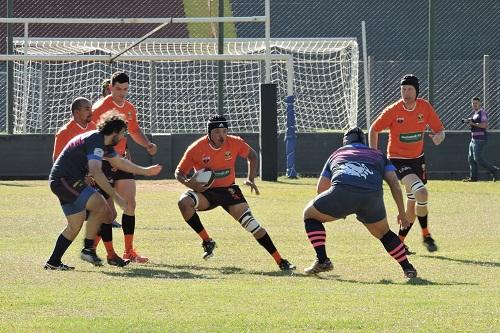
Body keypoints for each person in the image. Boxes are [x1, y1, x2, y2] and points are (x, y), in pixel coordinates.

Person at [175, 115, 295, 271]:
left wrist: (251, 178)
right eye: (217, 132)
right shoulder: (196, 148)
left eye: (224, 131)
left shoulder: (235, 142)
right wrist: (188, 182)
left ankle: (281, 261)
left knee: (253, 225)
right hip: (206, 192)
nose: (222, 135)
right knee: (184, 203)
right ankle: (207, 240)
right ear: (209, 133)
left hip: (229, 190)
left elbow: (252, 155)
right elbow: (179, 172)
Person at [45, 111, 162, 270]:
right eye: (122, 133)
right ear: (114, 132)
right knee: (101, 205)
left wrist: (146, 171)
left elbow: (120, 163)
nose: (123, 137)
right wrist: (116, 197)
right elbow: (95, 170)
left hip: (66, 181)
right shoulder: (96, 140)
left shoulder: (104, 144)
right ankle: (89, 250)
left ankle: (53, 262)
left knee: (75, 226)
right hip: (65, 180)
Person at [303, 127, 417, 278]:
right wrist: (402, 213)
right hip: (371, 198)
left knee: (309, 215)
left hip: (341, 193)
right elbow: (394, 184)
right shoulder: (379, 155)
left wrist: (338, 206)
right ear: (364, 141)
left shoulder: (337, 153)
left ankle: (322, 260)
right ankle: (407, 268)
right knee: (384, 233)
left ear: (345, 141)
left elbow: (321, 188)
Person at [369, 74, 445, 253]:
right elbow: (374, 129)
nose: (406, 92)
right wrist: (375, 156)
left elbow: (440, 130)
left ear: (416, 91)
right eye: (403, 89)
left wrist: (439, 137)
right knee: (422, 192)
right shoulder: (393, 110)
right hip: (398, 160)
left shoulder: (424, 107)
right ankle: (426, 236)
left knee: (414, 204)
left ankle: (401, 242)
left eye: (409, 89)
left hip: (418, 160)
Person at [92, 72, 158, 263]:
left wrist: (147, 144)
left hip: (120, 160)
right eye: (118, 89)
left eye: (125, 89)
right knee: (106, 211)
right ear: (110, 87)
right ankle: (99, 250)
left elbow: (135, 130)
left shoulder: (129, 108)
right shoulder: (100, 108)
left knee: (130, 204)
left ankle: (129, 251)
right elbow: (92, 137)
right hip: (102, 161)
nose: (122, 93)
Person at [462, 97, 499, 182]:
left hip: (480, 139)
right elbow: (475, 124)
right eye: (473, 103)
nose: (474, 105)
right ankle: (473, 178)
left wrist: (472, 123)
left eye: (476, 103)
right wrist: (470, 122)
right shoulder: (475, 114)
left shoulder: (483, 113)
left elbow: (484, 125)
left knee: (478, 158)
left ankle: (494, 170)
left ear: (480, 104)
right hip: (473, 139)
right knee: (471, 159)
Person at [52, 97, 96, 162]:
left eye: (91, 109)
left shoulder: (93, 126)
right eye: (87, 109)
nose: (91, 113)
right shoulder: (64, 132)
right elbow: (57, 160)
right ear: (76, 113)